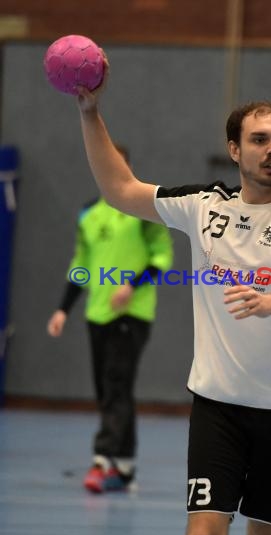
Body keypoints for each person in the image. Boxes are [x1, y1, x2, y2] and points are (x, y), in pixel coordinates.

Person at [73, 68, 271, 535]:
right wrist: (90, 113)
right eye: (260, 139)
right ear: (235, 149)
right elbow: (120, 188)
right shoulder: (203, 206)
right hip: (219, 408)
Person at [47, 145, 173, 494]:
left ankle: (102, 461)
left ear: (126, 167)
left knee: (116, 384)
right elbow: (81, 267)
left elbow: (162, 258)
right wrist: (62, 309)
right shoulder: (88, 213)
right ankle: (126, 466)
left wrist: (132, 286)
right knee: (109, 390)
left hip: (131, 314)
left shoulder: (145, 211)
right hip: (96, 313)